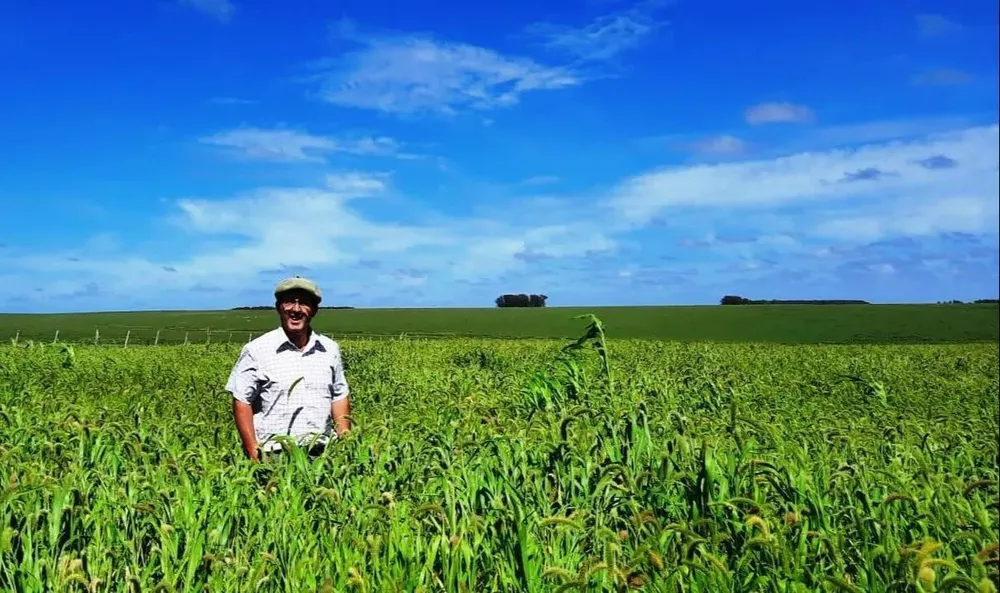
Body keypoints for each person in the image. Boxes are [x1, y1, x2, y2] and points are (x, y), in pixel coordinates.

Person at [225, 276, 351, 461]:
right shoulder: (257, 350)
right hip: (275, 454)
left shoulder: (329, 349)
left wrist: (346, 443)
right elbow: (242, 401)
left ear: (314, 310)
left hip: (322, 452)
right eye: (290, 302)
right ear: (279, 307)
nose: (296, 309)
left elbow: (339, 396)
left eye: (305, 303)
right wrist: (253, 451)